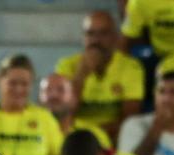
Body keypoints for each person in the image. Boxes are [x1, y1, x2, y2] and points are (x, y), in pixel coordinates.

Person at [55, 11, 144, 141]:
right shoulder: (66, 65)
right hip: (74, 140)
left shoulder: (131, 67)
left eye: (103, 33)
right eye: (90, 34)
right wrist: (81, 75)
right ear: (83, 38)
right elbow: (62, 115)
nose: (96, 40)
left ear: (115, 37)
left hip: (113, 138)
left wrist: (94, 135)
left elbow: (129, 120)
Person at [39, 73, 111, 148]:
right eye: (47, 90)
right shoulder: (30, 130)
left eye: (61, 89)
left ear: (73, 98)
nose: (54, 95)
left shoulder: (94, 134)